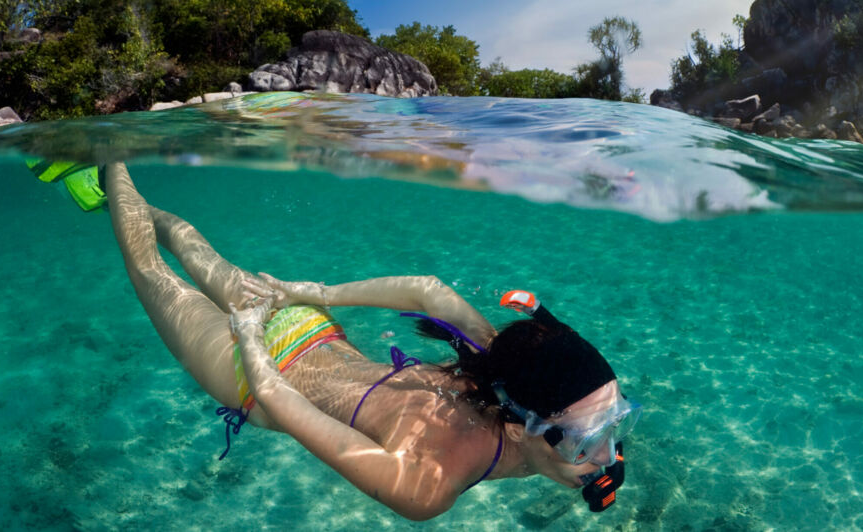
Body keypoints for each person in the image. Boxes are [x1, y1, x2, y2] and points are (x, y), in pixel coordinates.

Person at [102, 161, 641, 521]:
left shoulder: (499, 362)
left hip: (306, 323)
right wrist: (251, 329)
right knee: (151, 270)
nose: (607, 457)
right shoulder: (427, 485)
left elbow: (428, 290)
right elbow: (280, 404)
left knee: (192, 247)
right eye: (584, 439)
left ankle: (122, 194)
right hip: (257, 368)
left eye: (615, 424)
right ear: (527, 425)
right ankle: (109, 164)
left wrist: (308, 293)